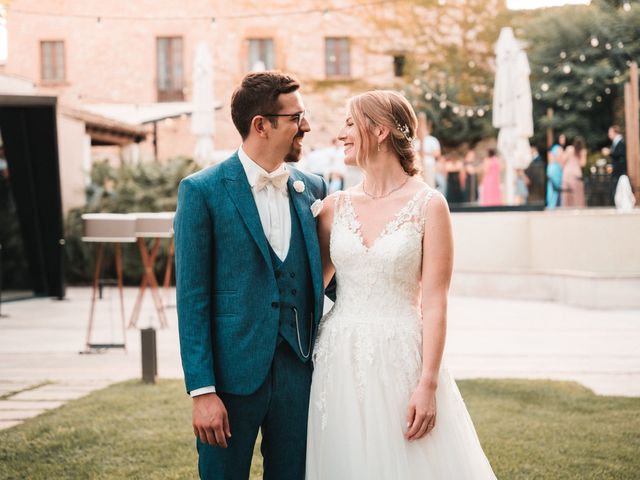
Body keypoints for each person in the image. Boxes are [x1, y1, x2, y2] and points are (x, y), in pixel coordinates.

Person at [306, 90, 496, 479]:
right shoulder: (332, 208)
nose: (341, 134)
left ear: (379, 131)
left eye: (349, 123)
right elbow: (308, 289)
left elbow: (436, 301)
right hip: (338, 358)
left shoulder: (429, 204)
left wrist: (428, 383)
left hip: (402, 358)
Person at [174, 71, 328, 480]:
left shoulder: (314, 188)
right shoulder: (201, 191)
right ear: (261, 125)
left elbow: (334, 280)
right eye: (296, 117)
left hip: (300, 375)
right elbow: (192, 299)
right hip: (229, 383)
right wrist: (203, 391)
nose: (306, 126)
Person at [602, 125, 627, 204]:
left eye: (610, 132)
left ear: (615, 132)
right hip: (616, 170)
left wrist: (610, 152)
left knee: (617, 188)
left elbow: (620, 154)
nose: (609, 134)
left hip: (619, 171)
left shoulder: (620, 141)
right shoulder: (616, 142)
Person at [561, 138, 586, 208]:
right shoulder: (582, 151)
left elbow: (563, 160)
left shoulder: (569, 149)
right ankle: (578, 208)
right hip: (576, 174)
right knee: (577, 194)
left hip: (567, 173)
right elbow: (582, 164)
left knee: (566, 194)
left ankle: (566, 208)